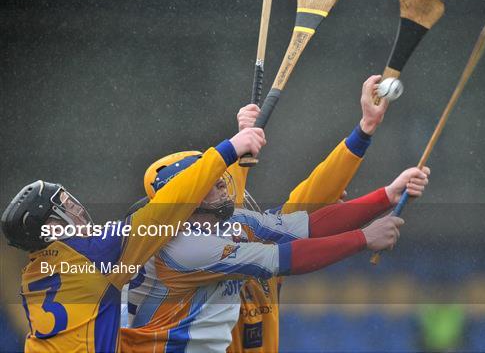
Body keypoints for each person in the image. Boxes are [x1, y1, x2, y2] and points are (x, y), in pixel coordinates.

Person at [121, 76, 429, 352]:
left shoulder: (235, 223)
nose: (224, 186)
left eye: (221, 179)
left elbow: (307, 223)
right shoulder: (185, 249)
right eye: (210, 185)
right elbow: (284, 255)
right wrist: (364, 237)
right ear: (184, 202)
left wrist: (385, 194)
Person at [0, 128, 266, 353]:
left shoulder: (32, 275)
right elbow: (162, 211)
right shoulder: (95, 252)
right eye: (66, 206)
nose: (78, 210)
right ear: (52, 226)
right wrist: (227, 151)